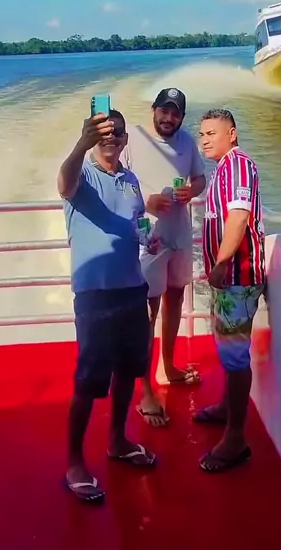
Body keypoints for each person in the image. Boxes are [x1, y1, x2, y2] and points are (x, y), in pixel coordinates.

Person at [57, 108, 156, 504]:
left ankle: (117, 441)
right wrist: (81, 144)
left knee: (128, 372)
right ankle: (74, 462)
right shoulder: (82, 175)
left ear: (125, 139)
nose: (110, 137)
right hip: (95, 296)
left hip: (132, 289)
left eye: (117, 132)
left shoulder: (130, 181)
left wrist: (149, 237)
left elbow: (138, 221)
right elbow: (64, 184)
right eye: (103, 132)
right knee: (89, 381)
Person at [121, 88, 206, 426]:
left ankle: (167, 367)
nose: (169, 118)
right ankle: (145, 390)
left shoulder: (187, 143)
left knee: (175, 299)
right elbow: (117, 182)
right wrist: (146, 201)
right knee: (147, 311)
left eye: (175, 113)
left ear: (182, 117)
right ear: (153, 110)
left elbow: (200, 178)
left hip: (179, 234)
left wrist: (192, 190)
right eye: (164, 111)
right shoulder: (133, 140)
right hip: (148, 239)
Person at [194, 108, 266, 472]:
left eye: (212, 133)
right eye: (202, 134)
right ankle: (226, 408)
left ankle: (236, 438)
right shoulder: (222, 169)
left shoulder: (238, 166)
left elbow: (238, 218)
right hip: (227, 280)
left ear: (232, 134)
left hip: (237, 277)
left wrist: (221, 264)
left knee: (236, 358)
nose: (204, 140)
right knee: (227, 350)